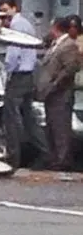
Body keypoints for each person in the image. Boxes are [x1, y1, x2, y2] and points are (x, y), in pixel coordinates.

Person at [0, 0, 51, 169]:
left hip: (19, 75)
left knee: (10, 116)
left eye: (5, 10)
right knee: (28, 117)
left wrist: (8, 70)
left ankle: (13, 157)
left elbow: (14, 53)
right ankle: (45, 152)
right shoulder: (27, 24)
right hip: (28, 75)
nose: (4, 15)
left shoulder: (16, 25)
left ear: (14, 8)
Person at [36, 17, 81, 171]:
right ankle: (54, 157)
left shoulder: (69, 45)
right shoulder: (55, 45)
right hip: (51, 94)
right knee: (52, 126)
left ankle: (63, 160)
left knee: (61, 127)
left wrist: (55, 84)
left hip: (61, 94)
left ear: (56, 27)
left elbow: (70, 68)